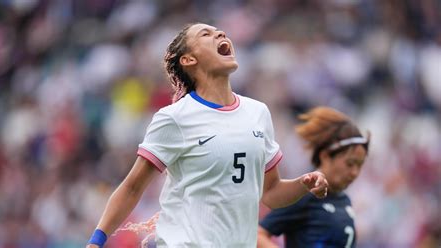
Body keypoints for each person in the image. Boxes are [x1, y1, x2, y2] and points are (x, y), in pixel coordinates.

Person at [86, 23, 329, 248]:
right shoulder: (175, 118)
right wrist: (96, 241)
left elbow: (271, 192)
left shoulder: (258, 112)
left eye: (220, 32)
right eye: (206, 34)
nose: (220, 34)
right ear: (189, 59)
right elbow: (132, 187)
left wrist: (303, 185)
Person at [257, 107, 370, 248]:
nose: (355, 172)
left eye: (360, 165)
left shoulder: (344, 201)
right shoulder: (304, 196)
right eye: (350, 163)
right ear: (325, 156)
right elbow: (259, 235)